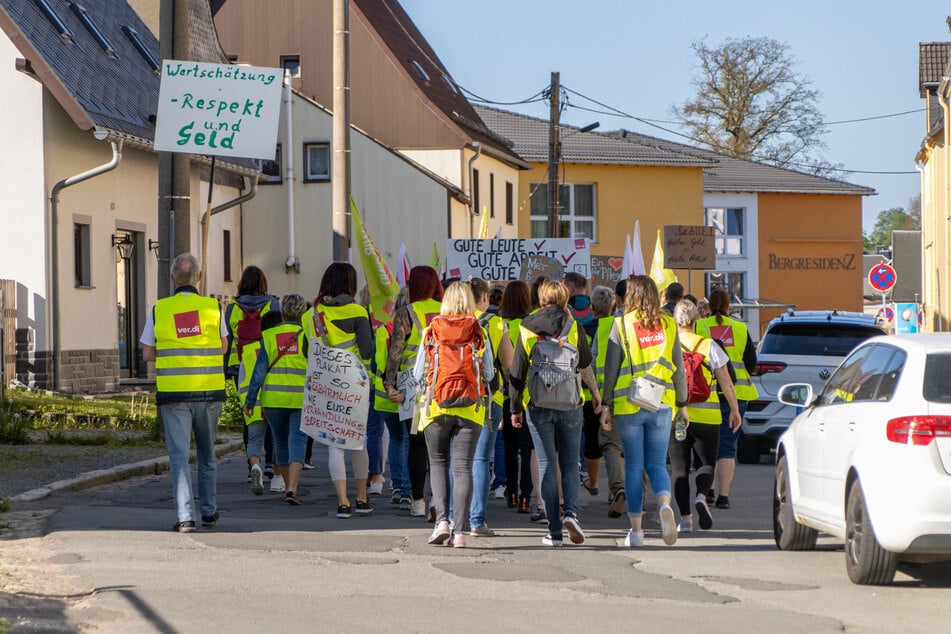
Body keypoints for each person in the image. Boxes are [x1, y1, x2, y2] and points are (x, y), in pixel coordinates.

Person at [509, 280, 602, 547]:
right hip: (571, 403)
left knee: (548, 465)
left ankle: (554, 531)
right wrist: (595, 393)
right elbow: (585, 365)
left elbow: (517, 373)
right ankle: (570, 512)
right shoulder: (574, 326)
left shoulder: (527, 326)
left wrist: (515, 408)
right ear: (564, 300)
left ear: (541, 299)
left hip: (538, 404)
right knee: (571, 462)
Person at [141, 253, 227, 532]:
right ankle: (210, 512)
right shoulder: (213, 308)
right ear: (199, 277)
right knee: (207, 454)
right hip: (208, 392)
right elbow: (223, 348)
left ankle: (185, 517)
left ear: (172, 278)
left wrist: (172, 354)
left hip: (174, 394)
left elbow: (147, 353)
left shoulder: (160, 310)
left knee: (179, 456)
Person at [600, 275, 687, 548]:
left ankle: (636, 532)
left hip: (629, 404)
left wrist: (606, 405)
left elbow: (611, 368)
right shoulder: (669, 323)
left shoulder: (621, 324)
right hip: (662, 402)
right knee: (657, 464)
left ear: (631, 296)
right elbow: (679, 368)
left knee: (634, 467)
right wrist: (682, 404)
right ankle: (664, 503)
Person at [415, 282, 494, 548]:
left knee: (438, 464)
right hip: (471, 408)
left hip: (436, 407)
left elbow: (417, 373)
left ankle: (442, 523)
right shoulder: (478, 330)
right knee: (463, 468)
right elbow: (490, 374)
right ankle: (460, 532)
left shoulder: (431, 330)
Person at [302, 263, 375, 519]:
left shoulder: (310, 314)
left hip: (323, 383)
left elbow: (305, 352)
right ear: (350, 284)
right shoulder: (357, 311)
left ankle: (342, 502)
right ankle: (362, 498)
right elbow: (367, 351)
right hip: (354, 384)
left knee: (335, 443)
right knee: (357, 441)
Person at [670, 299, 741, 532]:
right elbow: (726, 381)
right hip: (708, 416)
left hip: (678, 416)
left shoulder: (669, 345)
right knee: (707, 463)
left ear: (675, 319)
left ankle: (685, 519)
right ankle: (701, 496)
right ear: (696, 319)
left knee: (679, 468)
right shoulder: (709, 345)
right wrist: (734, 409)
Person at [384, 266, 444, 517]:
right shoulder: (447, 310)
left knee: (416, 443)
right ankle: (441, 502)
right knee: (442, 447)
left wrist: (389, 383)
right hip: (443, 381)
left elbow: (395, 352)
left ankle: (418, 500)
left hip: (413, 386)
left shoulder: (405, 313)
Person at [244, 294, 310, 506]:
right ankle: (292, 488)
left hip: (273, 399)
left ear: (282, 313)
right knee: (298, 440)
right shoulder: (308, 335)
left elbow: (259, 370)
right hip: (300, 397)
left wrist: (251, 398)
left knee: (280, 441)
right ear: (303, 313)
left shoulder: (270, 334)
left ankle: (283, 480)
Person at [696, 288, 757, 509]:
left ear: (709, 305)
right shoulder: (740, 328)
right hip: (738, 394)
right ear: (728, 306)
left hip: (709, 393)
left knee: (709, 446)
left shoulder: (701, 326)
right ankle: (724, 496)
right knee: (728, 447)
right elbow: (751, 362)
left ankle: (708, 491)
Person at [224, 266, 279, 481]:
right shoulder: (272, 304)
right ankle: (270, 465)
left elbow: (227, 340)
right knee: (271, 414)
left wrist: (225, 370)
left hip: (242, 367)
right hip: (269, 365)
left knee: (250, 415)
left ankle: (251, 464)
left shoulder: (232, 308)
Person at [468, 278, 514, 537]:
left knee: (458, 460)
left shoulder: (451, 320)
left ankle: (452, 517)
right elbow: (508, 362)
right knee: (480, 459)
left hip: (457, 398)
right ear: (485, 297)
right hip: (488, 398)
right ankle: (477, 520)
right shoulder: (495, 323)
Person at [498, 281, 535, 513]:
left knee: (509, 447)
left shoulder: (499, 325)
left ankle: (510, 491)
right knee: (528, 448)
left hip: (505, 394)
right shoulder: (530, 325)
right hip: (529, 395)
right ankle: (526, 497)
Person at [238, 310, 283, 496]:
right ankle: (277, 478)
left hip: (253, 402)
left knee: (254, 439)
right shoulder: (280, 347)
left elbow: (241, 379)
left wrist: (245, 403)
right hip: (274, 400)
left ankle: (255, 466)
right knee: (278, 440)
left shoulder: (248, 351)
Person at [583, 286, 620, 500]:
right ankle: (615, 488)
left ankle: (594, 482)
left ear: (592, 306)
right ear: (613, 305)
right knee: (616, 443)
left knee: (592, 441)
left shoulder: (584, 328)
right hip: (617, 393)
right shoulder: (620, 325)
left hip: (590, 394)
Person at [376, 289, 410, 508]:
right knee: (408, 440)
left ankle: (397, 485)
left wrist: (390, 386)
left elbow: (379, 363)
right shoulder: (417, 328)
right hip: (408, 393)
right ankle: (406, 488)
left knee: (396, 439)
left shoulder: (382, 331)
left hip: (386, 396)